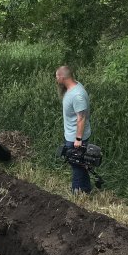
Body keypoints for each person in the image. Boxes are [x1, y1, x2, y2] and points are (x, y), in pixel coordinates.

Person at [56, 65, 92, 193]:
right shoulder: (72, 88)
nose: (56, 79)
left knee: (76, 164)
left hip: (75, 138)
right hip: (71, 135)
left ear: (62, 77)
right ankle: (86, 188)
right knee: (80, 163)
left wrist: (78, 139)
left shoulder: (77, 95)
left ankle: (76, 192)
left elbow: (81, 118)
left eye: (57, 77)